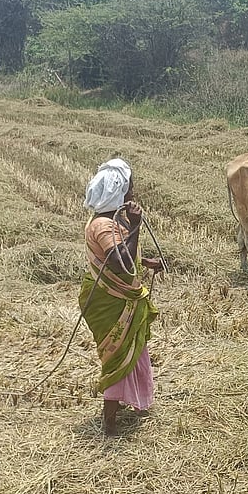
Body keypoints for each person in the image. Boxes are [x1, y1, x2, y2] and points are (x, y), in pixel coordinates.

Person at [79, 158, 164, 436]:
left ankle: (136, 403)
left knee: (134, 351)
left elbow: (125, 258)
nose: (132, 192)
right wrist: (137, 225)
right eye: (129, 187)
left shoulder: (110, 220)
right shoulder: (104, 225)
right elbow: (119, 261)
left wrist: (146, 262)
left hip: (117, 296)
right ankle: (110, 423)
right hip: (110, 301)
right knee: (117, 355)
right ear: (119, 191)